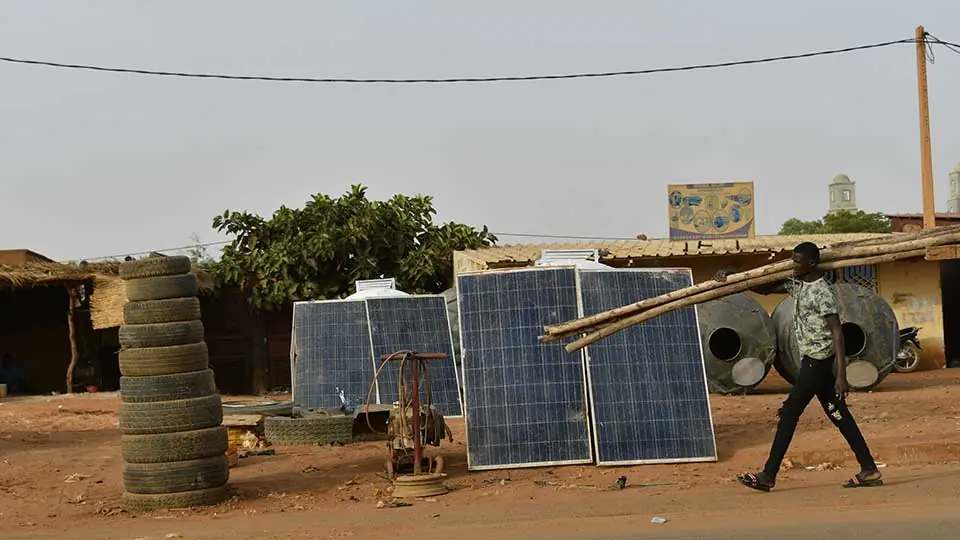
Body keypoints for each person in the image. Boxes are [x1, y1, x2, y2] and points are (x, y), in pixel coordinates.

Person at [715, 242, 883, 492]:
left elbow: (837, 332)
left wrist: (842, 374)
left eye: (796, 260)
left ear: (811, 263)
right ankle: (869, 468)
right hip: (812, 361)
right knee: (838, 413)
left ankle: (768, 475)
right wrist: (734, 274)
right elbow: (764, 288)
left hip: (818, 361)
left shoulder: (823, 292)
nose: (792, 264)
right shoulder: (798, 284)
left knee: (789, 414)